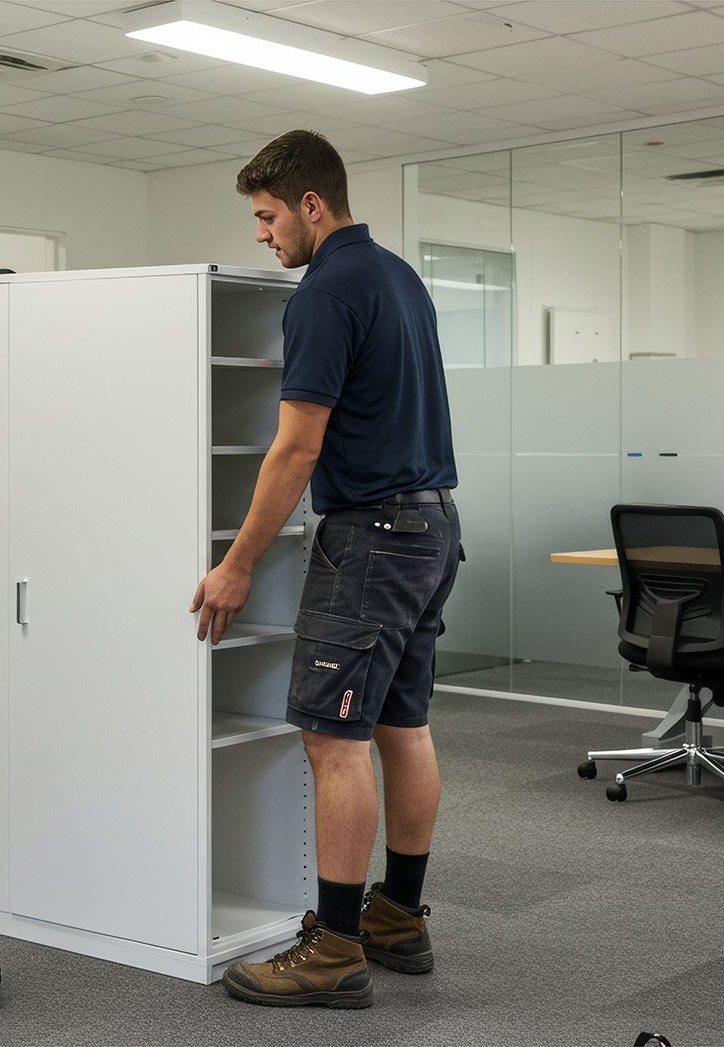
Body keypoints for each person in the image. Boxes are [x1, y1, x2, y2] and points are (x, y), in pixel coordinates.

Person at [189, 129, 461, 1010]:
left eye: (268, 217)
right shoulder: (398, 277)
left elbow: (294, 448)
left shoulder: (325, 292)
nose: (263, 236)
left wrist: (236, 564)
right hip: (431, 527)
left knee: (330, 737)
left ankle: (336, 946)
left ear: (312, 205)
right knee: (402, 724)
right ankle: (398, 916)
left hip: (372, 538)